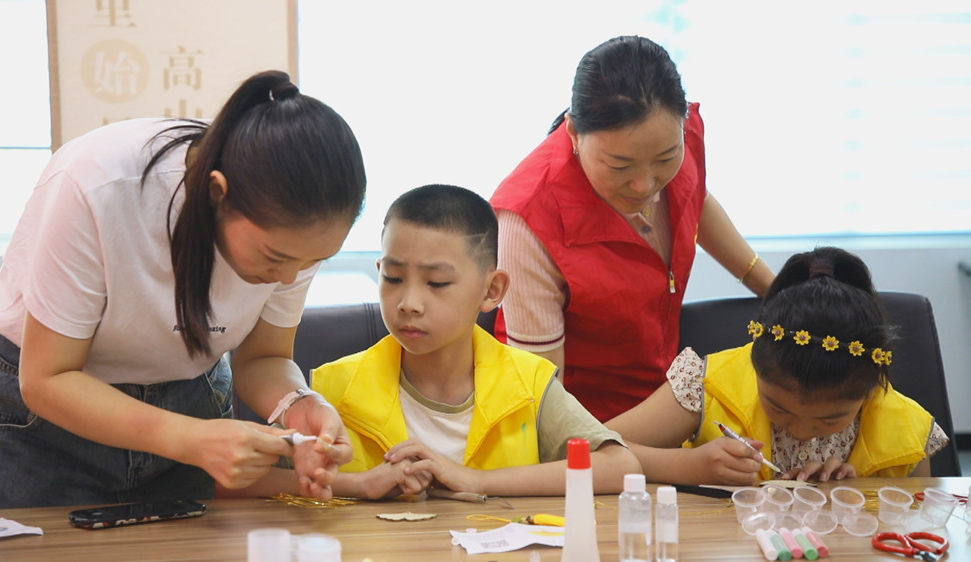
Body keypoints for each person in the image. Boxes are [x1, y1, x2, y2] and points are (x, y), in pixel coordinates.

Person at [0, 70, 364, 508]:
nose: (288, 278)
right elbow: (48, 379)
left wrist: (298, 403)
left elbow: (264, 357)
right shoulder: (100, 184)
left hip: (189, 399)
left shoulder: (299, 230)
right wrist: (190, 438)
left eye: (312, 263)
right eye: (274, 258)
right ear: (218, 192)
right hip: (38, 426)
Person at [223, 184, 638, 500]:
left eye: (437, 283)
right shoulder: (330, 391)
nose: (409, 303)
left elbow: (618, 467)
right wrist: (357, 484)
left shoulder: (527, 383)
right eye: (393, 278)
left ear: (492, 290)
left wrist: (475, 480)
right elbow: (239, 483)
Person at [490, 36, 775, 422]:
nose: (645, 185)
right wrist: (676, 462)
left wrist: (774, 291)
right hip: (585, 428)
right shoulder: (528, 219)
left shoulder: (675, 133)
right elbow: (544, 405)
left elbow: (694, 198)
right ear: (574, 134)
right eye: (620, 167)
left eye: (665, 158)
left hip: (666, 395)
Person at [606, 247, 950, 485]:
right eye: (777, 407)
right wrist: (687, 466)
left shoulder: (906, 430)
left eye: (830, 420)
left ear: (872, 388)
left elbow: (920, 519)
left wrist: (853, 494)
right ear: (754, 362)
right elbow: (585, 447)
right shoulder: (706, 385)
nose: (800, 431)